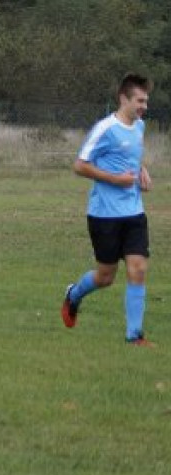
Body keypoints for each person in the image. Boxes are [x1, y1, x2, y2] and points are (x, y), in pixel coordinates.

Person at [62, 74, 155, 346]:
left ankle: (134, 336)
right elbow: (80, 165)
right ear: (123, 99)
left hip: (134, 212)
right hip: (104, 215)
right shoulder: (105, 129)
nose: (144, 106)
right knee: (105, 277)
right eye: (140, 101)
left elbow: (131, 156)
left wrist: (142, 170)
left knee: (138, 269)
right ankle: (73, 295)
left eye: (146, 101)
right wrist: (115, 179)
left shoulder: (139, 126)